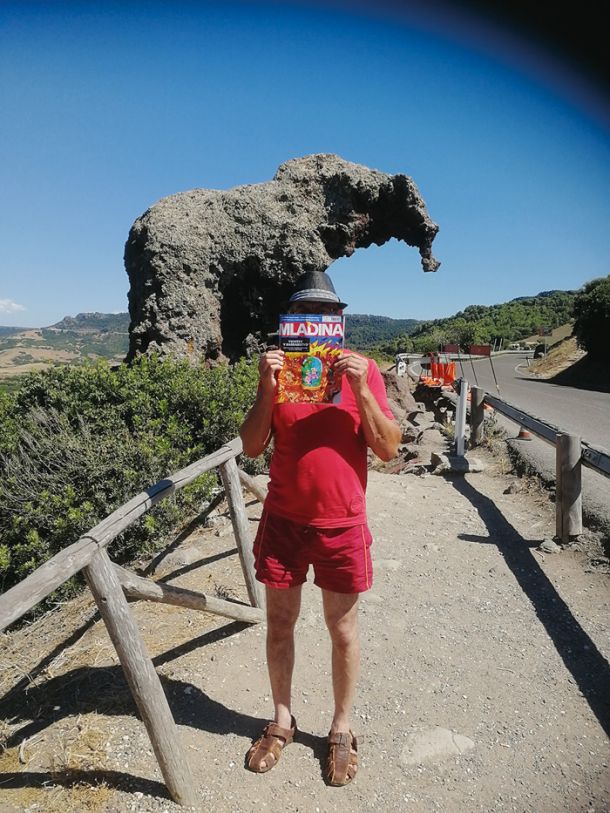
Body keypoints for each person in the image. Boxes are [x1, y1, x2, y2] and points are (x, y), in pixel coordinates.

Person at [239, 270, 401, 786]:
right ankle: (282, 719)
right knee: (280, 624)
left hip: (341, 524)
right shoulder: (281, 370)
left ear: (338, 321)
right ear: (293, 321)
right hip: (285, 519)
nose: (318, 322)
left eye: (327, 315)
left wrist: (362, 390)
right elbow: (250, 445)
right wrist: (266, 387)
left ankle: (341, 727)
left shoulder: (365, 371)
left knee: (343, 630)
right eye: (307, 314)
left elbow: (389, 448)